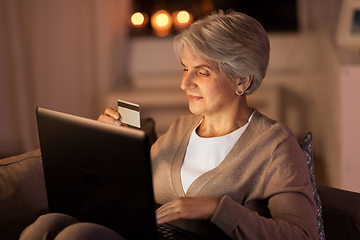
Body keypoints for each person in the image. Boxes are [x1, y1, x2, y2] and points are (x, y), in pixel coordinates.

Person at [21, 10, 318, 240]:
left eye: (201, 72)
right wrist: (110, 149)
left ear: (242, 80)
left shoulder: (275, 145)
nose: (184, 83)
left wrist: (216, 208)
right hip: (146, 233)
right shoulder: (179, 129)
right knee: (46, 225)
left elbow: (303, 235)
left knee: (78, 236)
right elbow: (132, 193)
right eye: (186, 69)